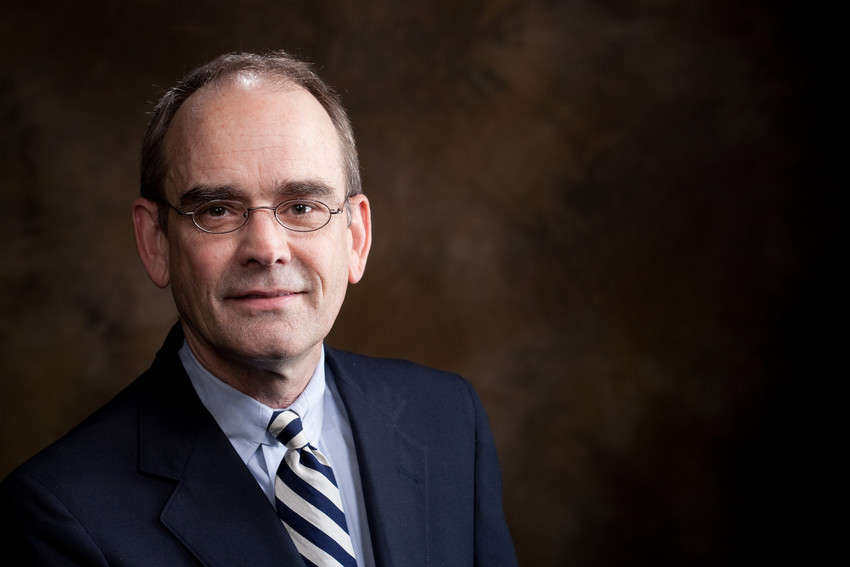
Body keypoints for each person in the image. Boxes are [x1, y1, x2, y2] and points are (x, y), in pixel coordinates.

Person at [0, 51, 517, 566]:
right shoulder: (58, 513)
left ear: (355, 236)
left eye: (302, 206)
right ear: (156, 242)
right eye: (218, 210)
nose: (266, 248)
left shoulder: (448, 420)